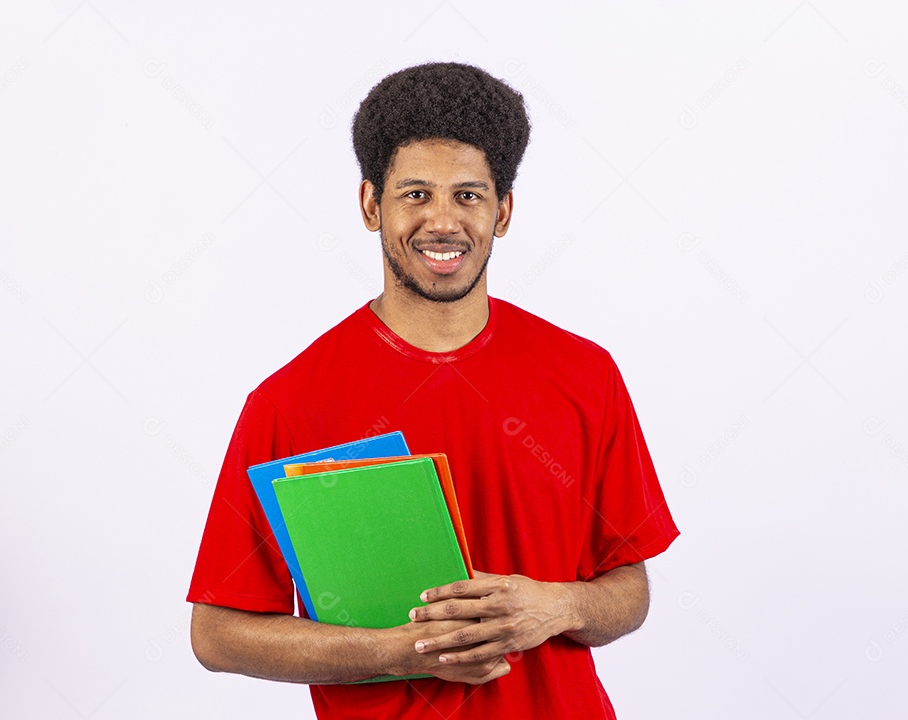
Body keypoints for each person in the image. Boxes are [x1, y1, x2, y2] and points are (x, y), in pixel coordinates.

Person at [187, 61, 679, 719]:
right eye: (416, 194)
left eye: (468, 196)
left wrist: (560, 605)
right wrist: (402, 650)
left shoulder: (585, 374)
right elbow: (217, 633)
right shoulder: (289, 402)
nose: (443, 221)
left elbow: (629, 589)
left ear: (502, 212)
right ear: (371, 206)